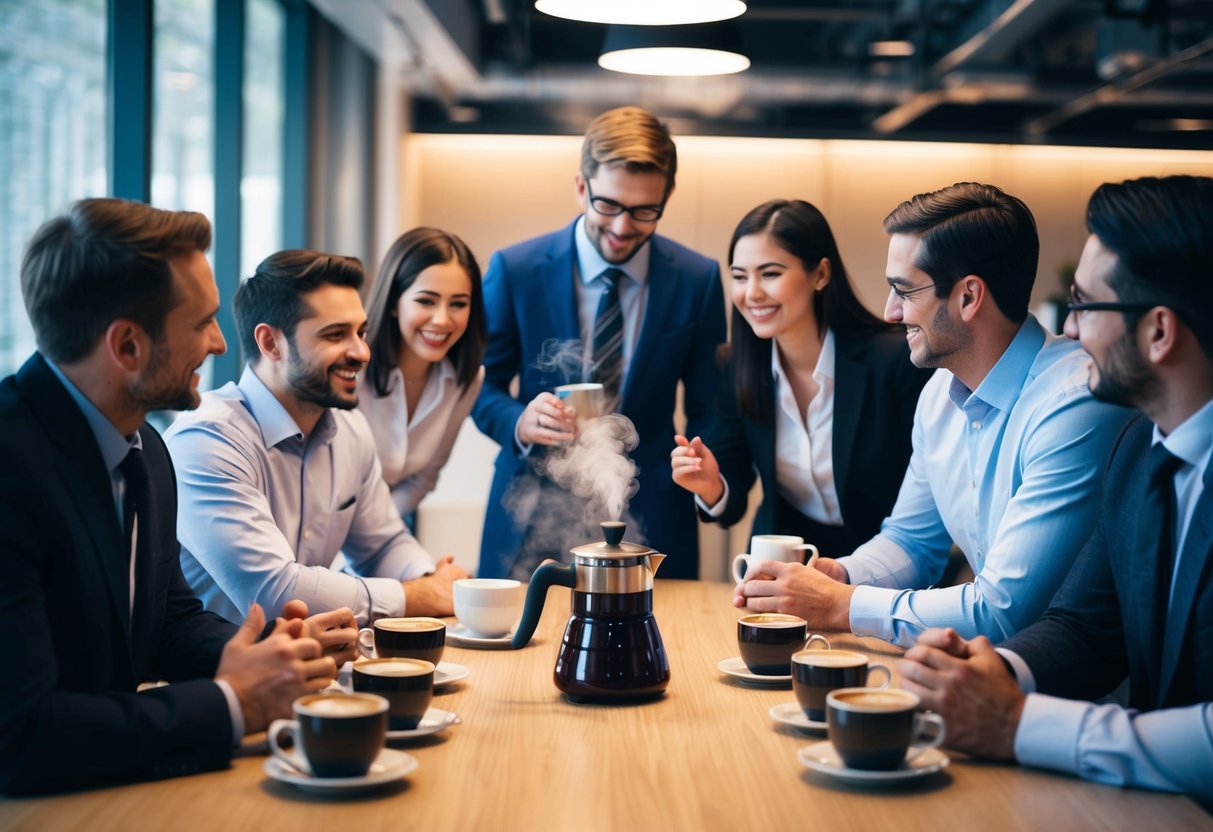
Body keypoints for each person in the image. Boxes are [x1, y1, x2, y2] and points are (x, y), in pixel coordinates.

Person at [0, 199, 355, 796]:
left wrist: (269, 653)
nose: (220, 344)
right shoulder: (10, 470)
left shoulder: (145, 447)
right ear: (128, 346)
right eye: (201, 323)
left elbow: (167, 621)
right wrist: (229, 702)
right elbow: (23, 735)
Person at [897, 175, 1213, 806]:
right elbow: (1086, 627)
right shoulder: (1140, 453)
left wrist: (1019, 724)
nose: (1069, 328)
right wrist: (990, 671)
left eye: (1086, 305)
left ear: (1158, 331)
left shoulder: (1097, 422)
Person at [734, 182, 1131, 646]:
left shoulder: (1072, 403)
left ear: (968, 297)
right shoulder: (939, 394)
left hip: (1077, 698)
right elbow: (911, 541)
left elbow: (1000, 611)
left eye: (904, 291)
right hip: (983, 674)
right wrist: (838, 574)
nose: (891, 312)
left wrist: (841, 604)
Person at [472, 106, 726, 579]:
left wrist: (700, 466)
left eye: (645, 211)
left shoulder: (698, 279)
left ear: (667, 196)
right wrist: (520, 421)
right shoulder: (516, 269)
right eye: (608, 204)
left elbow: (709, 407)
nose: (623, 227)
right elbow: (480, 388)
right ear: (581, 186)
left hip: (651, 520)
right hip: (528, 515)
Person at [166, 250, 468, 627]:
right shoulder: (207, 440)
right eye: (336, 335)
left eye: (361, 332)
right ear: (271, 344)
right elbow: (276, 594)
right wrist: (420, 595)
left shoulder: (351, 430)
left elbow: (384, 545)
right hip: (214, 676)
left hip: (310, 666)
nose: (361, 352)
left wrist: (430, 578)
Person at [670, 199, 931, 553]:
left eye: (771, 273)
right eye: (739, 276)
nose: (752, 293)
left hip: (884, 562)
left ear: (821, 274)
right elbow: (731, 500)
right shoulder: (738, 366)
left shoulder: (893, 361)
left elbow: (928, 490)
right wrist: (710, 485)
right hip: (785, 560)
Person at [358, 227, 486, 525]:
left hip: (388, 530)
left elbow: (424, 477)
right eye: (426, 301)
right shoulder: (353, 368)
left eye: (458, 304)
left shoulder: (468, 379)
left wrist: (379, 529)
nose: (442, 319)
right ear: (393, 303)